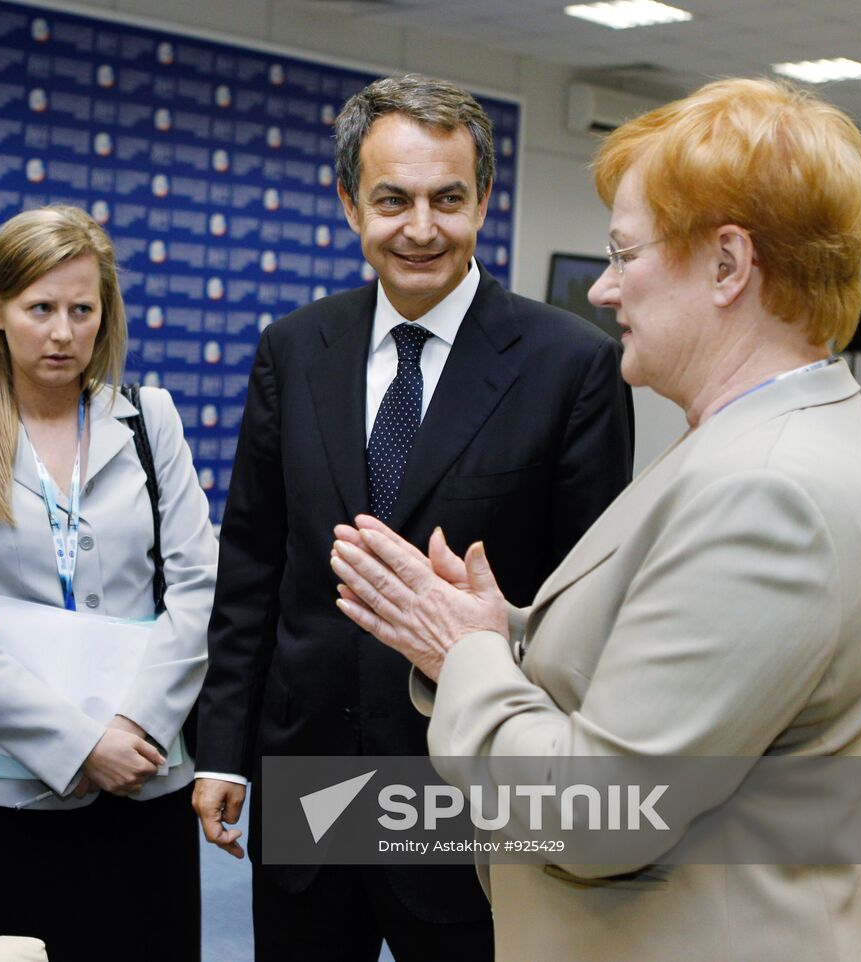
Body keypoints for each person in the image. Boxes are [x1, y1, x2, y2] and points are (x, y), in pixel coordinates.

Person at [332, 78, 861, 961]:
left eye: (625, 255)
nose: (603, 290)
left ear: (728, 265)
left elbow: (598, 812)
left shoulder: (767, 491)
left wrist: (467, 656)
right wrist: (503, 632)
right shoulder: (746, 443)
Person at [193, 74, 633, 961]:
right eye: (392, 199)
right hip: (311, 769)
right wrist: (223, 750)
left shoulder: (572, 366)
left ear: (485, 202)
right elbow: (253, 565)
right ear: (351, 202)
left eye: (448, 199)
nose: (421, 228)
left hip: (466, 785)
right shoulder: (294, 347)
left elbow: (585, 607)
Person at [0, 205, 217, 961]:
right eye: (41, 309)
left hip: (144, 780)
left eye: (82, 310)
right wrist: (82, 742)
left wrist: (140, 729)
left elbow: (196, 589)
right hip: (18, 792)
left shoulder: (151, 422)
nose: (62, 333)